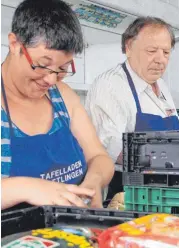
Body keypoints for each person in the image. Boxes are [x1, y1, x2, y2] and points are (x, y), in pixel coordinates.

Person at [1, 0, 115, 210]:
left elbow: (99, 157)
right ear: (15, 44)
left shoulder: (62, 96)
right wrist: (25, 187)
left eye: (62, 68)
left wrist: (93, 183)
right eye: (43, 65)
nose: (51, 80)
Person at [85, 17, 179, 196]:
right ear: (129, 47)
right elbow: (111, 150)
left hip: (167, 186)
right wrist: (173, 160)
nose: (160, 60)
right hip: (130, 191)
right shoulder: (111, 85)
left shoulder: (161, 85)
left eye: (166, 52)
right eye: (152, 50)